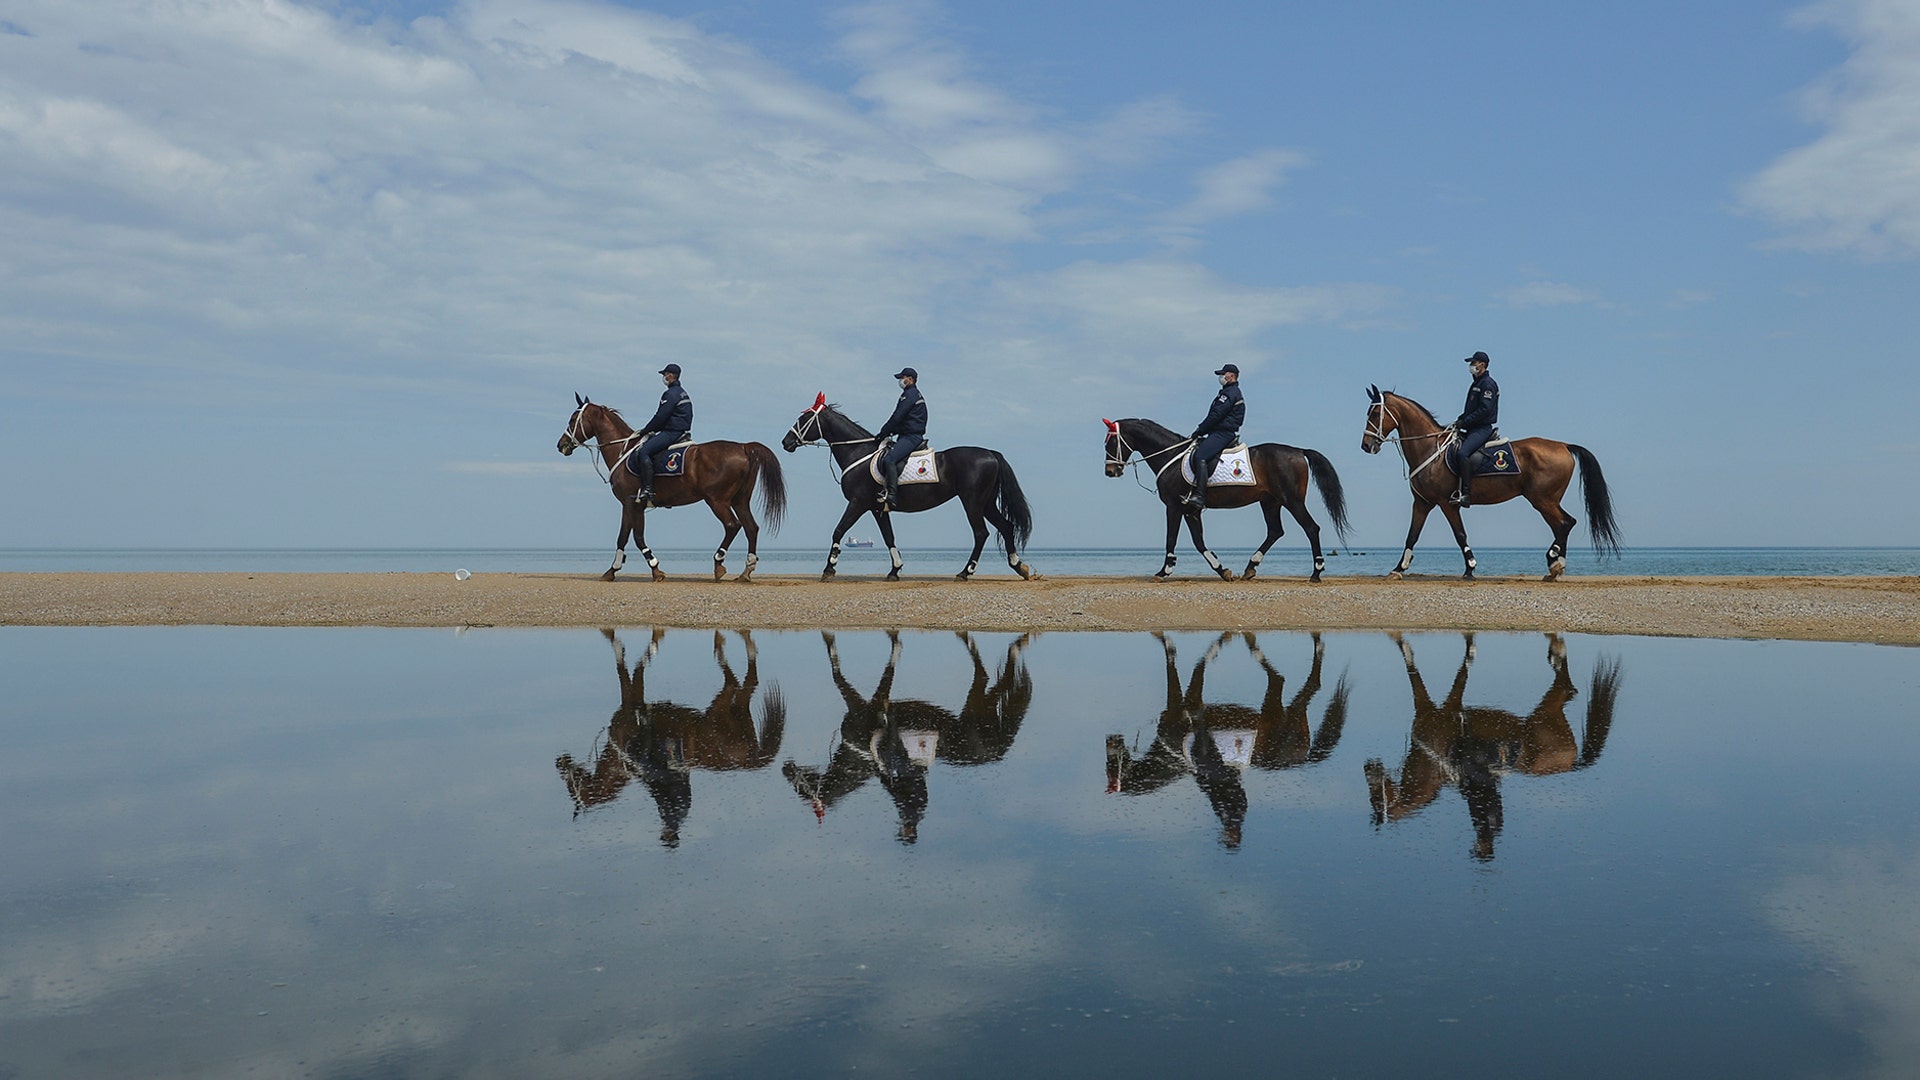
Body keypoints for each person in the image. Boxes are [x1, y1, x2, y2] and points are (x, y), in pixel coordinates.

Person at [631, 363, 693, 505]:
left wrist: (645, 430)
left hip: (672, 432)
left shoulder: (670, 394)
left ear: (671, 375)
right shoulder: (682, 392)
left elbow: (661, 416)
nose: (664, 377)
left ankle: (648, 489)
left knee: (644, 451)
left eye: (665, 374)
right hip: (681, 430)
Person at [1184, 364, 1244, 508]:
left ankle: (1200, 496)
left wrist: (1200, 430)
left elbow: (1215, 416)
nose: (1221, 377)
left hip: (1223, 433)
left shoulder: (1229, 393)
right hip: (1220, 432)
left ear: (1231, 376)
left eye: (1224, 374)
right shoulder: (1229, 392)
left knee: (1200, 456)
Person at [1449, 351, 1499, 506]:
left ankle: (1466, 494)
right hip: (1472, 427)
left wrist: (1466, 422)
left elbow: (1485, 409)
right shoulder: (1476, 383)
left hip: (1482, 428)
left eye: (1473, 363)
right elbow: (1472, 409)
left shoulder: (1487, 384)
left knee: (1463, 453)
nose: (1471, 366)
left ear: (1482, 365)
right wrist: (1461, 419)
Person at [874, 367, 927, 508]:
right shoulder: (912, 394)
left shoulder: (910, 395)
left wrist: (883, 432)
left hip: (911, 437)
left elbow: (897, 417)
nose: (900, 381)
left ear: (910, 379)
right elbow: (905, 421)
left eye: (902, 378)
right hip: (907, 434)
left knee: (889, 459)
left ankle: (891, 494)